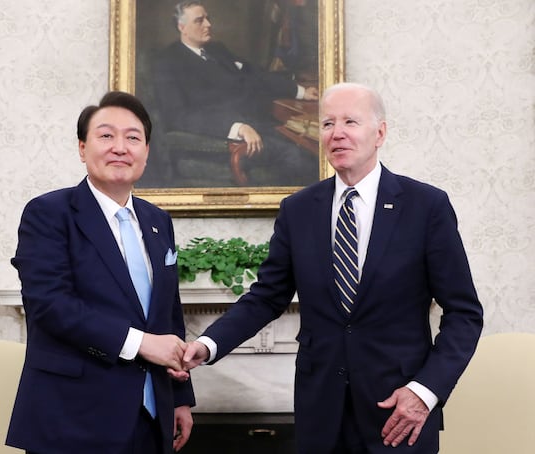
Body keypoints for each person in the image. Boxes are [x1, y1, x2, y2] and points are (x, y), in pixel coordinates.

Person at [180, 82, 484, 453]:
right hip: (321, 414)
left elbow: (464, 314)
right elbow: (266, 298)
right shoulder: (298, 210)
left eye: (350, 122)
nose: (337, 133)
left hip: (400, 414)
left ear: (380, 133)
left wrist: (424, 392)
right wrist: (208, 344)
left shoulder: (426, 206)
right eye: (327, 124)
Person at [6, 91, 195, 454]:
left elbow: (168, 316)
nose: (120, 147)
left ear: (146, 151)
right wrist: (142, 344)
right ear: (82, 148)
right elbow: (50, 305)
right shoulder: (48, 213)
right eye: (106, 135)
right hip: (73, 418)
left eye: (133, 137)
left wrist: (180, 397)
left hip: (151, 417)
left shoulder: (158, 221)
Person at [152, 1, 319, 187]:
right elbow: (179, 116)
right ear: (181, 27)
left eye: (208, 18)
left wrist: (300, 92)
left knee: (311, 144)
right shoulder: (168, 62)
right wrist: (237, 127)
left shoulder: (217, 50)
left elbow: (256, 75)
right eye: (199, 21)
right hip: (225, 140)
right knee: (301, 158)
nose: (208, 24)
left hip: (261, 124)